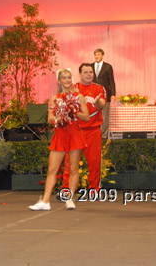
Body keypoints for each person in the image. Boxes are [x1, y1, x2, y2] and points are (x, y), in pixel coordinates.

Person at [29, 69, 89, 211]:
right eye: (64, 78)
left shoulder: (79, 97)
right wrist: (59, 119)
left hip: (74, 135)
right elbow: (50, 118)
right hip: (60, 135)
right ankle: (45, 201)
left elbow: (87, 117)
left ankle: (70, 199)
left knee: (73, 169)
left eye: (69, 77)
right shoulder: (55, 98)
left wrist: (74, 111)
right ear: (59, 81)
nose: (67, 80)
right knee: (52, 169)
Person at [61, 63, 106, 192]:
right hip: (76, 131)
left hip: (93, 130)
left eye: (90, 72)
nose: (88, 74)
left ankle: (94, 189)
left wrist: (97, 102)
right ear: (80, 74)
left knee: (94, 162)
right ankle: (66, 189)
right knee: (71, 163)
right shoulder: (72, 88)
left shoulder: (99, 88)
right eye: (85, 72)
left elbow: (102, 105)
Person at [93, 48, 116, 139]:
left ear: (102, 55)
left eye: (98, 54)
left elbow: (111, 81)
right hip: (93, 94)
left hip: (105, 94)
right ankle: (94, 133)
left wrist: (113, 93)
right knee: (93, 114)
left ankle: (104, 135)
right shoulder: (90, 66)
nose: (97, 56)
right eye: (95, 54)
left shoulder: (108, 67)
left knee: (105, 115)